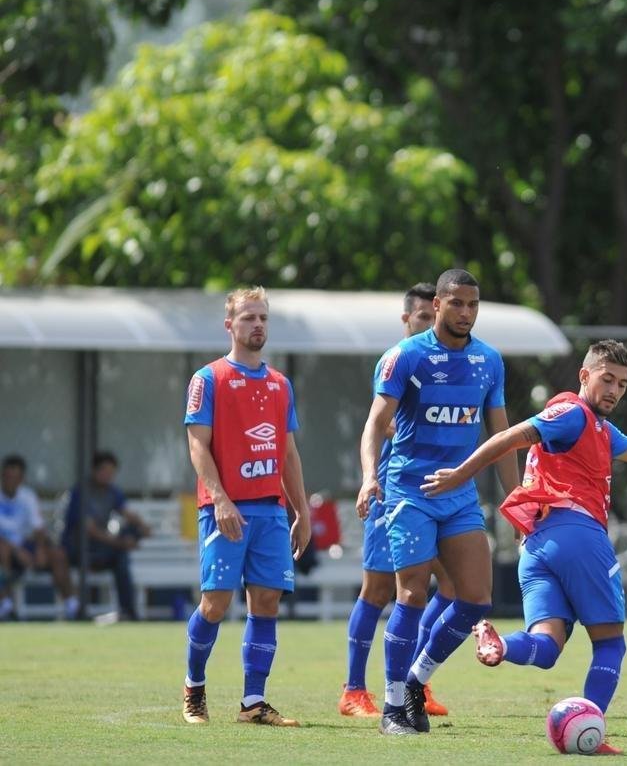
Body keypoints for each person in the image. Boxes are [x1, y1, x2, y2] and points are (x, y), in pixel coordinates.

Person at [421, 339, 627, 754]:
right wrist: (460, 474)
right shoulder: (571, 412)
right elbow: (510, 436)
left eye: (622, 384)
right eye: (607, 379)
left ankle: (500, 645)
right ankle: (593, 734)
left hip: (536, 546)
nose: (614, 390)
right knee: (610, 642)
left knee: (547, 645)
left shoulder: (600, 429)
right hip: (578, 536)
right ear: (584, 375)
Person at [357, 268, 519, 736]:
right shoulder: (404, 357)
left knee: (475, 599)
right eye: (457, 304)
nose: (466, 313)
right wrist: (371, 478)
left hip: (461, 496)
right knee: (410, 592)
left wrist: (516, 503)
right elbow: (373, 425)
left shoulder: (489, 361)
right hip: (411, 494)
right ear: (439, 305)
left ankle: (415, 679)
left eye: (473, 305)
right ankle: (391, 707)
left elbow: (503, 438)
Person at [180, 286, 312, 726]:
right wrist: (219, 498)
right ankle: (194, 689)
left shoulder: (280, 384)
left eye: (263, 318)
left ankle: (253, 703)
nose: (258, 325)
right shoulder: (208, 379)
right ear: (230, 325)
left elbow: (288, 453)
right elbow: (197, 446)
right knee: (215, 604)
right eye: (249, 318)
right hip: (224, 510)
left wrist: (302, 511)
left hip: (270, 511)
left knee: (267, 602)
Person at [340, 282, 457, 718]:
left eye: (436, 315)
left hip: (442, 494)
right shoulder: (398, 362)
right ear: (407, 320)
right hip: (395, 490)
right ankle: (354, 690)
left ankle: (414, 681)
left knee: (452, 586)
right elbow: (384, 424)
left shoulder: (452, 363)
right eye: (424, 317)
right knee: (379, 589)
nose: (432, 323)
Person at [62, 451, 150, 621]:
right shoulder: (81, 492)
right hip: (78, 549)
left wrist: (142, 526)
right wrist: (120, 543)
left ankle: (127, 612)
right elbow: (90, 529)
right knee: (120, 550)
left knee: (122, 555)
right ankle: (83, 612)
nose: (108, 476)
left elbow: (126, 512)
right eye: (104, 471)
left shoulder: (112, 491)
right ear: (95, 471)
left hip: (101, 550)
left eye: (111, 472)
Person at [0, 454, 78, 620]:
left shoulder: (27, 496)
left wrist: (40, 550)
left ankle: (72, 605)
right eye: (8, 476)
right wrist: (16, 550)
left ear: (22, 478)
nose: (11, 481)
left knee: (58, 555)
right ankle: (5, 604)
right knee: (2, 550)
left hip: (27, 546)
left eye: (16, 477)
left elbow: (39, 528)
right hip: (5, 549)